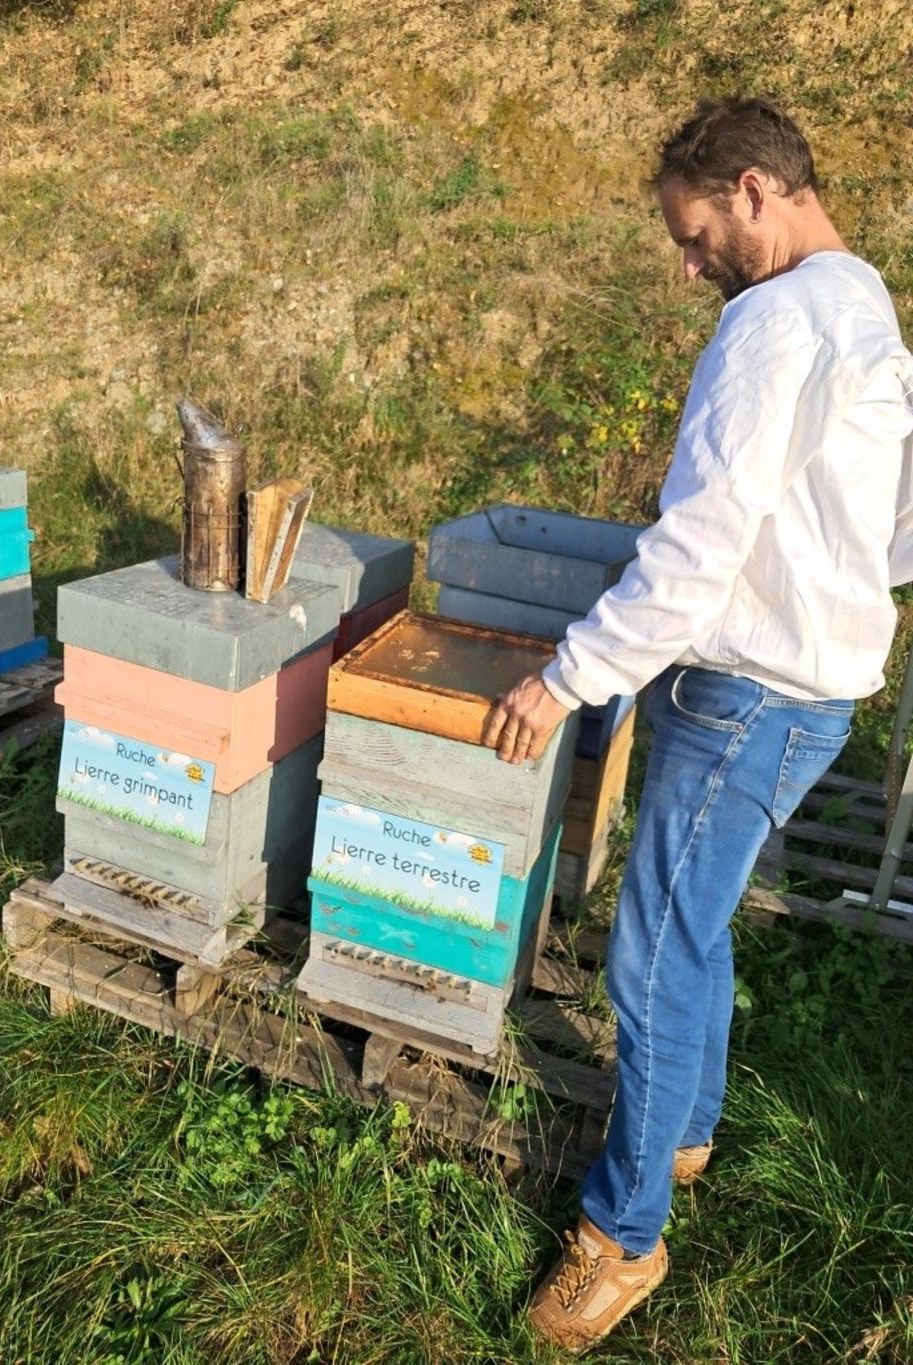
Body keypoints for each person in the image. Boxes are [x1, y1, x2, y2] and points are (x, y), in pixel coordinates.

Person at [484, 96, 913, 1354]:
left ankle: (620, 1238)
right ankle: (682, 1134)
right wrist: (820, 585)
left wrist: (567, 678)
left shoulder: (772, 322)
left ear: (752, 192)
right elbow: (892, 530)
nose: (687, 266)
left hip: (745, 697)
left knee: (651, 954)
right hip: (812, 692)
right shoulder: (864, 302)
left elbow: (699, 540)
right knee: (696, 921)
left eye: (693, 235)